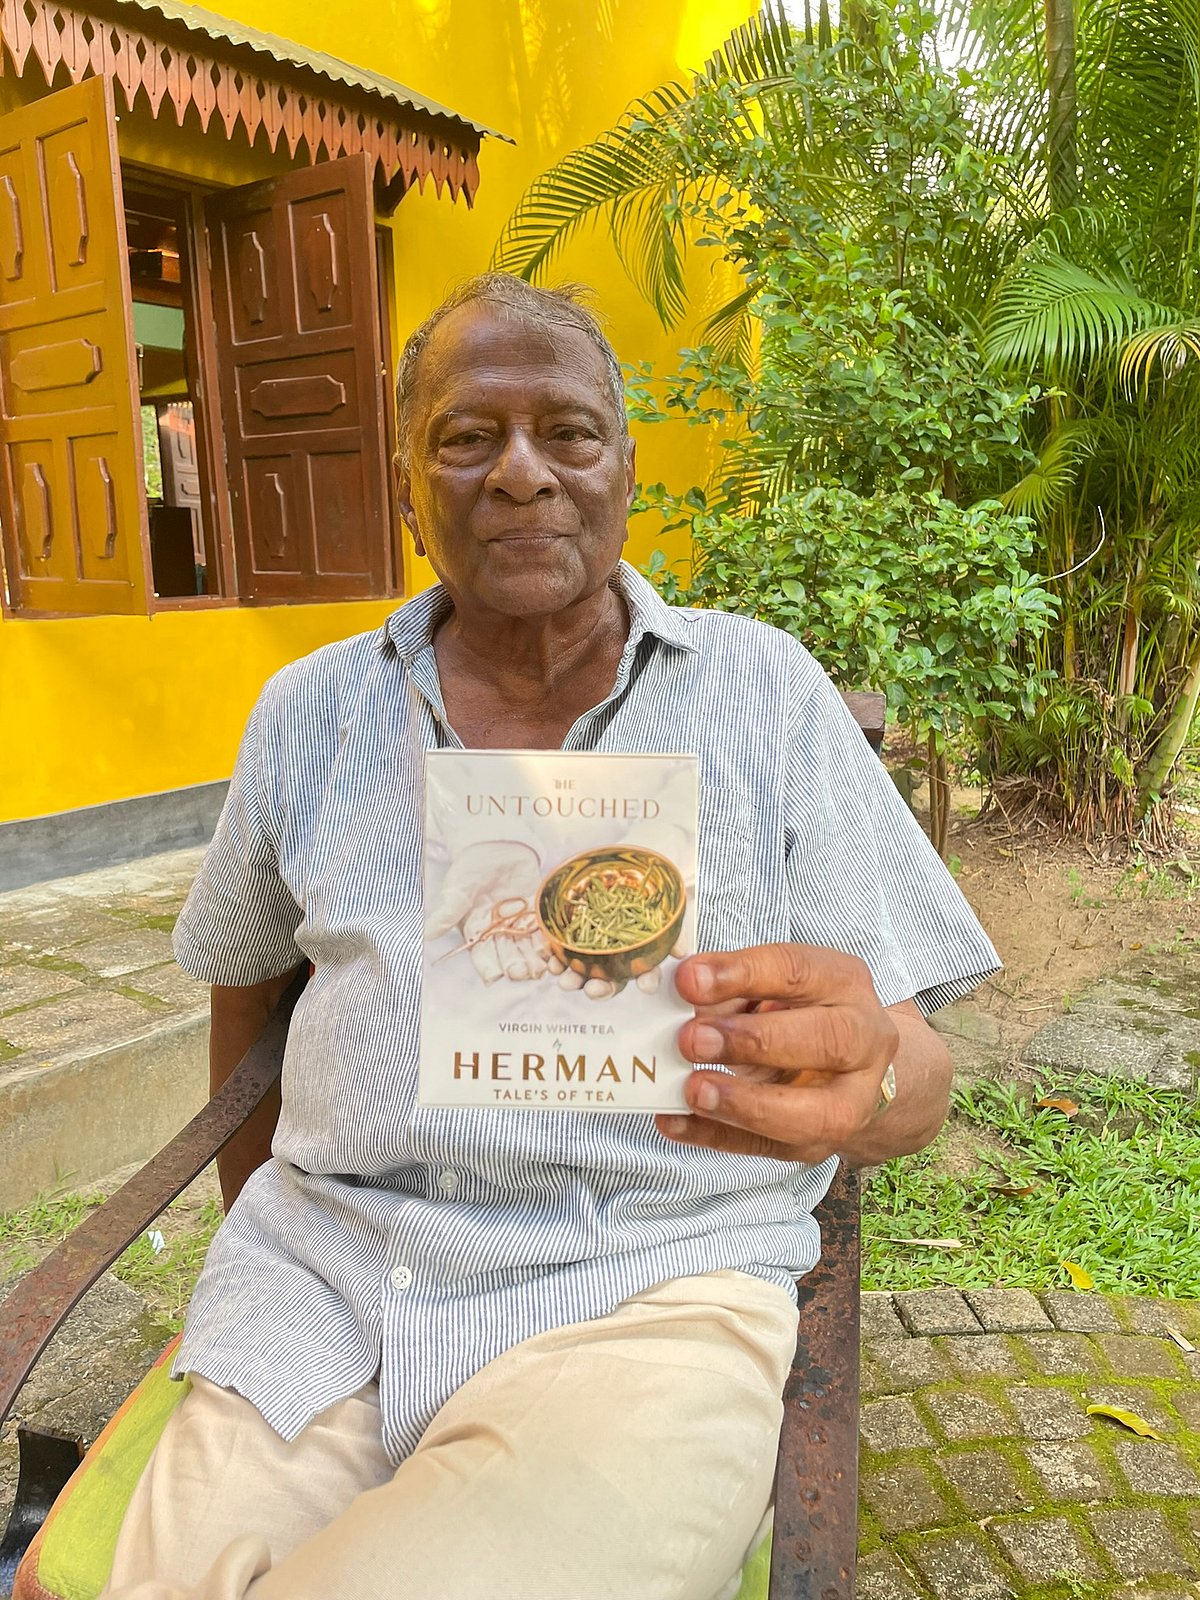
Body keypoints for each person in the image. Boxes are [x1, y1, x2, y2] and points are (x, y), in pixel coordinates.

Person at [102, 273, 998, 1600]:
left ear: (624, 467)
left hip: (651, 1291)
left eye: (567, 433)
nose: (521, 473)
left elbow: (914, 1071)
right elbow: (250, 987)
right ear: (411, 486)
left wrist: (868, 1074)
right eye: (468, 438)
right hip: (325, 1297)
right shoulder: (311, 715)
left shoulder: (759, 693)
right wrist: (269, 1234)